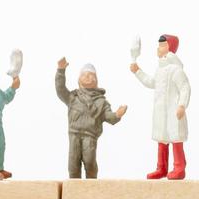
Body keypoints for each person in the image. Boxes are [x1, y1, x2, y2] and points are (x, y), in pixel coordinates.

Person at [55, 58, 127, 179]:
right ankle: (74, 189)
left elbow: (109, 117)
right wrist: (61, 71)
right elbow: (60, 89)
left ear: (96, 80)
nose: (88, 77)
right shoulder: (73, 97)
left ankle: (91, 185)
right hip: (74, 134)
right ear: (79, 79)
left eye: (91, 75)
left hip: (90, 136)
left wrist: (117, 115)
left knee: (89, 161)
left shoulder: (101, 102)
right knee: (73, 164)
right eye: (85, 75)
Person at [131, 34, 190, 180]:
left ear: (170, 48)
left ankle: (179, 168)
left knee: (176, 138)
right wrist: (137, 71)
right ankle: (161, 168)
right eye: (159, 45)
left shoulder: (176, 70)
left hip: (173, 111)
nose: (158, 48)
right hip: (161, 112)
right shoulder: (160, 69)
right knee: (162, 138)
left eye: (162, 45)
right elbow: (151, 82)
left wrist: (182, 105)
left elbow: (185, 87)